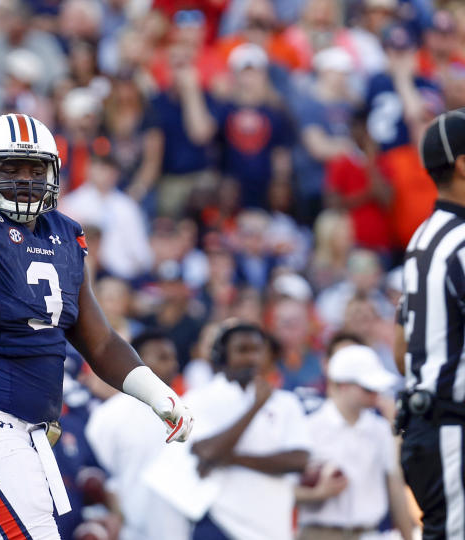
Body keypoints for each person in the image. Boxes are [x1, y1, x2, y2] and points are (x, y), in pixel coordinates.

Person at [0, 24, 193, 539]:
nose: (26, 180)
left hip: (24, 433)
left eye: (36, 169)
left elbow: (97, 339)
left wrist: (156, 393)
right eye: (10, 167)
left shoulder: (65, 234)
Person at [395, 109, 465, 540]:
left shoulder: (423, 238)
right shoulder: (459, 241)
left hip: (431, 424)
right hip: (451, 428)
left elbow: (401, 343)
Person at [183, 323, 311, 540]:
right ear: (222, 356)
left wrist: (232, 459)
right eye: (242, 350)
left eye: (257, 350)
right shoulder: (198, 399)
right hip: (218, 522)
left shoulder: (286, 402)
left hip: (272, 525)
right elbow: (207, 452)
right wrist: (255, 408)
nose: (251, 358)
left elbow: (299, 460)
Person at [296, 345, 414, 540]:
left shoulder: (380, 429)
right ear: (343, 385)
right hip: (319, 533)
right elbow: (284, 489)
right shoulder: (309, 428)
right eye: (368, 388)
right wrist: (318, 493)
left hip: (369, 533)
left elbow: (395, 489)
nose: (375, 394)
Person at [85, 329, 191, 540]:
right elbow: (99, 473)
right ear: (139, 361)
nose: (173, 365)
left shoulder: (188, 410)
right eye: (163, 357)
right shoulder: (109, 414)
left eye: (173, 358)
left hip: (179, 526)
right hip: (128, 528)